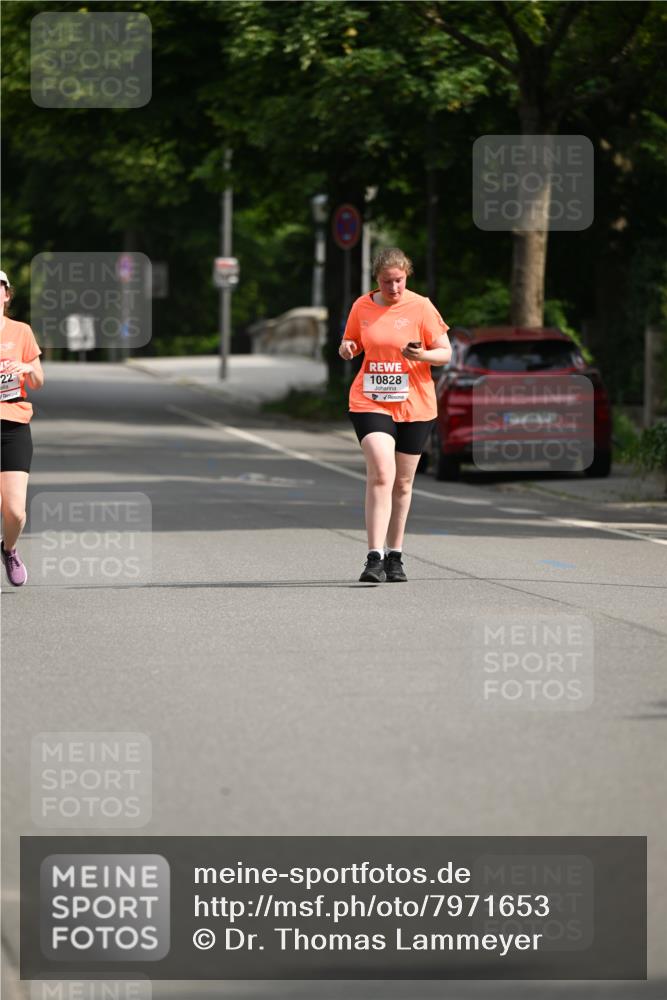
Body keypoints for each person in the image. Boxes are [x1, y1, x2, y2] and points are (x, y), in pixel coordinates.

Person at [340, 248, 451, 583]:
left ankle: (395, 556)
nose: (394, 287)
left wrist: (422, 355)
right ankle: (373, 557)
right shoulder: (362, 306)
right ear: (377, 279)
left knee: (403, 483)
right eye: (387, 281)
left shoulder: (422, 306)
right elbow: (352, 342)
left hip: (415, 403)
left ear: (407, 276)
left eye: (399, 280)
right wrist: (347, 348)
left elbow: (445, 353)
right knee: (382, 473)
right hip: (370, 400)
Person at [0, 270, 44, 586]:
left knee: (14, 512)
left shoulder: (21, 331)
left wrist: (28, 367)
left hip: (14, 424)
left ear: (6, 295)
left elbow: (39, 381)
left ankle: (9, 548)